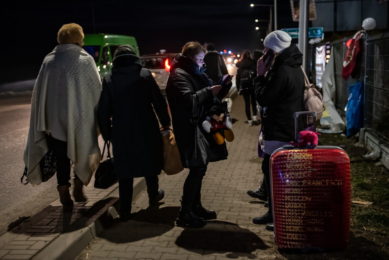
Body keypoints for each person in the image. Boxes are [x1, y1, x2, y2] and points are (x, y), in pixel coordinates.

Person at [23, 23, 102, 211]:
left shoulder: (49, 60)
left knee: (61, 157)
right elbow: (96, 90)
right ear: (78, 38)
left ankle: (63, 191)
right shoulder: (85, 60)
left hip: (54, 122)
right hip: (81, 120)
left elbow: (40, 93)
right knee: (82, 150)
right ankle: (78, 187)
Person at [97, 45, 171, 221]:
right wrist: (166, 123)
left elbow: (103, 111)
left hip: (121, 130)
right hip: (147, 127)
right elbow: (158, 101)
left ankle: (125, 209)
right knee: (150, 163)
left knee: (125, 170)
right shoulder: (144, 75)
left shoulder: (109, 79)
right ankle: (154, 197)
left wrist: (108, 134)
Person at [166, 41, 223, 228]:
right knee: (197, 169)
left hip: (200, 126)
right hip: (189, 129)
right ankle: (185, 213)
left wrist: (218, 91)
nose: (201, 63)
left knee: (201, 168)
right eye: (199, 59)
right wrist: (209, 91)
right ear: (190, 58)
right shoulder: (179, 75)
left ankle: (195, 207)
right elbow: (188, 101)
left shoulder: (192, 72)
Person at [253, 30, 305, 230]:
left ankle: (280, 217)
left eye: (267, 48)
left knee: (276, 174)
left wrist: (259, 76)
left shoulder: (282, 70)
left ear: (274, 49)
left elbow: (265, 97)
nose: (265, 52)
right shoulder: (294, 66)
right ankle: (274, 213)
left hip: (279, 128)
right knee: (272, 171)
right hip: (289, 127)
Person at [236, 50, 259, 126]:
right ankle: (255, 118)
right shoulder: (253, 63)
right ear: (250, 56)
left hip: (244, 86)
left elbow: (238, 78)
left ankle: (249, 121)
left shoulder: (240, 65)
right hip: (252, 86)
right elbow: (256, 75)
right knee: (254, 102)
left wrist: (238, 88)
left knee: (247, 104)